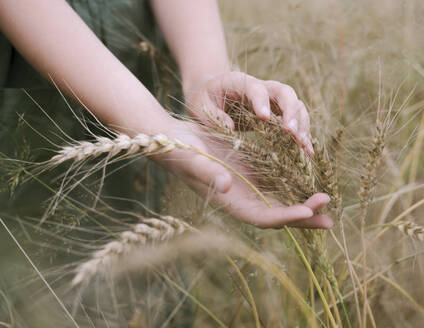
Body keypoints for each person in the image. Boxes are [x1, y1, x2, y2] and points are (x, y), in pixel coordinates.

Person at [0, 0, 333, 229]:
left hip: (134, 50)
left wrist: (207, 73)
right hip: (27, 78)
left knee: (135, 259)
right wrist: (154, 124)